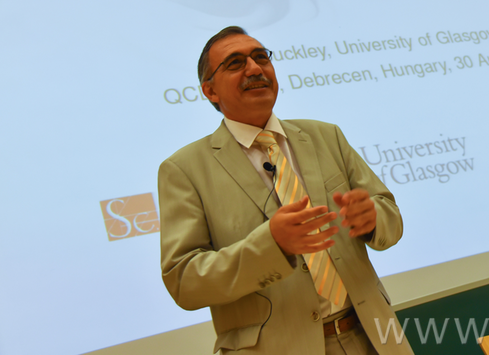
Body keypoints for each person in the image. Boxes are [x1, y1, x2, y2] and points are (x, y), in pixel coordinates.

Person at [158, 26, 413, 354]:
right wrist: (272, 246)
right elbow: (185, 282)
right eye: (235, 63)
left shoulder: (326, 136)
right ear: (210, 90)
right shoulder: (184, 170)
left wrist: (373, 219)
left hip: (373, 338)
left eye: (261, 57)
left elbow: (390, 218)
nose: (254, 68)